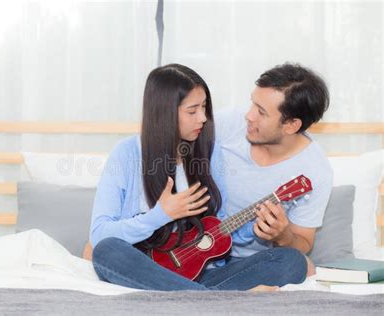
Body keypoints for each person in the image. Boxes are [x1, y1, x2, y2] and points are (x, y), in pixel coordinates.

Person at [89, 63, 307, 291]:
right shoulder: (126, 154)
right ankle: (212, 301)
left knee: (292, 261)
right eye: (192, 111)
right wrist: (159, 216)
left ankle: (198, 300)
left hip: (204, 276)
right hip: (147, 272)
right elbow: (99, 235)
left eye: (204, 107)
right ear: (164, 112)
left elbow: (218, 229)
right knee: (107, 251)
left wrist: (258, 226)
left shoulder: (210, 153)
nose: (203, 118)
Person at [214, 63, 333, 275]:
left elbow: (303, 241)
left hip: (252, 263)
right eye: (253, 104)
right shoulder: (229, 123)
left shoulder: (315, 171)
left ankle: (210, 287)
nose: (249, 116)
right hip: (192, 246)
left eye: (261, 112)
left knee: (301, 266)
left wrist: (283, 236)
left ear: (291, 125)